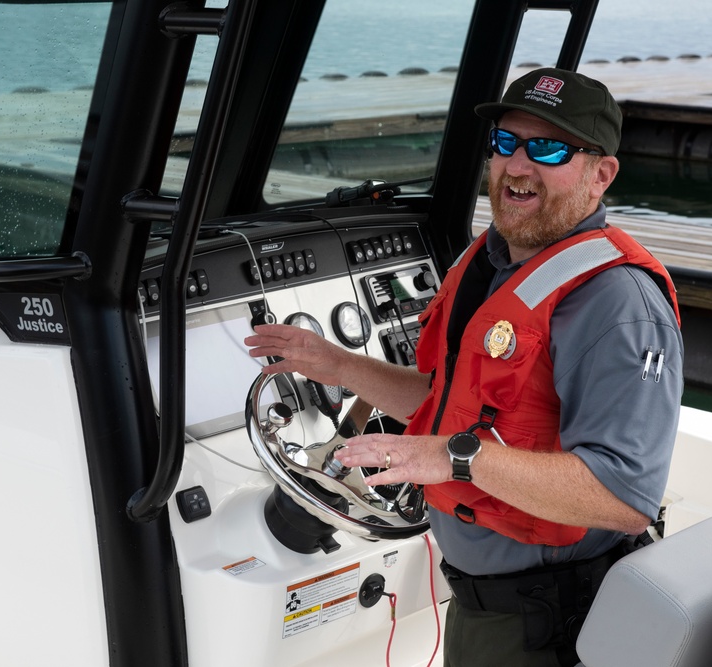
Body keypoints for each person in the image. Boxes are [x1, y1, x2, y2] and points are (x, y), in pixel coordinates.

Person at [245, 67, 683, 666]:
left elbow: (622, 495)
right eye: (505, 143)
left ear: (600, 174)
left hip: (554, 624)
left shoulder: (618, 304)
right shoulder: (493, 264)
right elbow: (444, 399)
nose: (517, 167)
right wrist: (340, 365)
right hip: (485, 611)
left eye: (548, 148)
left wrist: (447, 456)